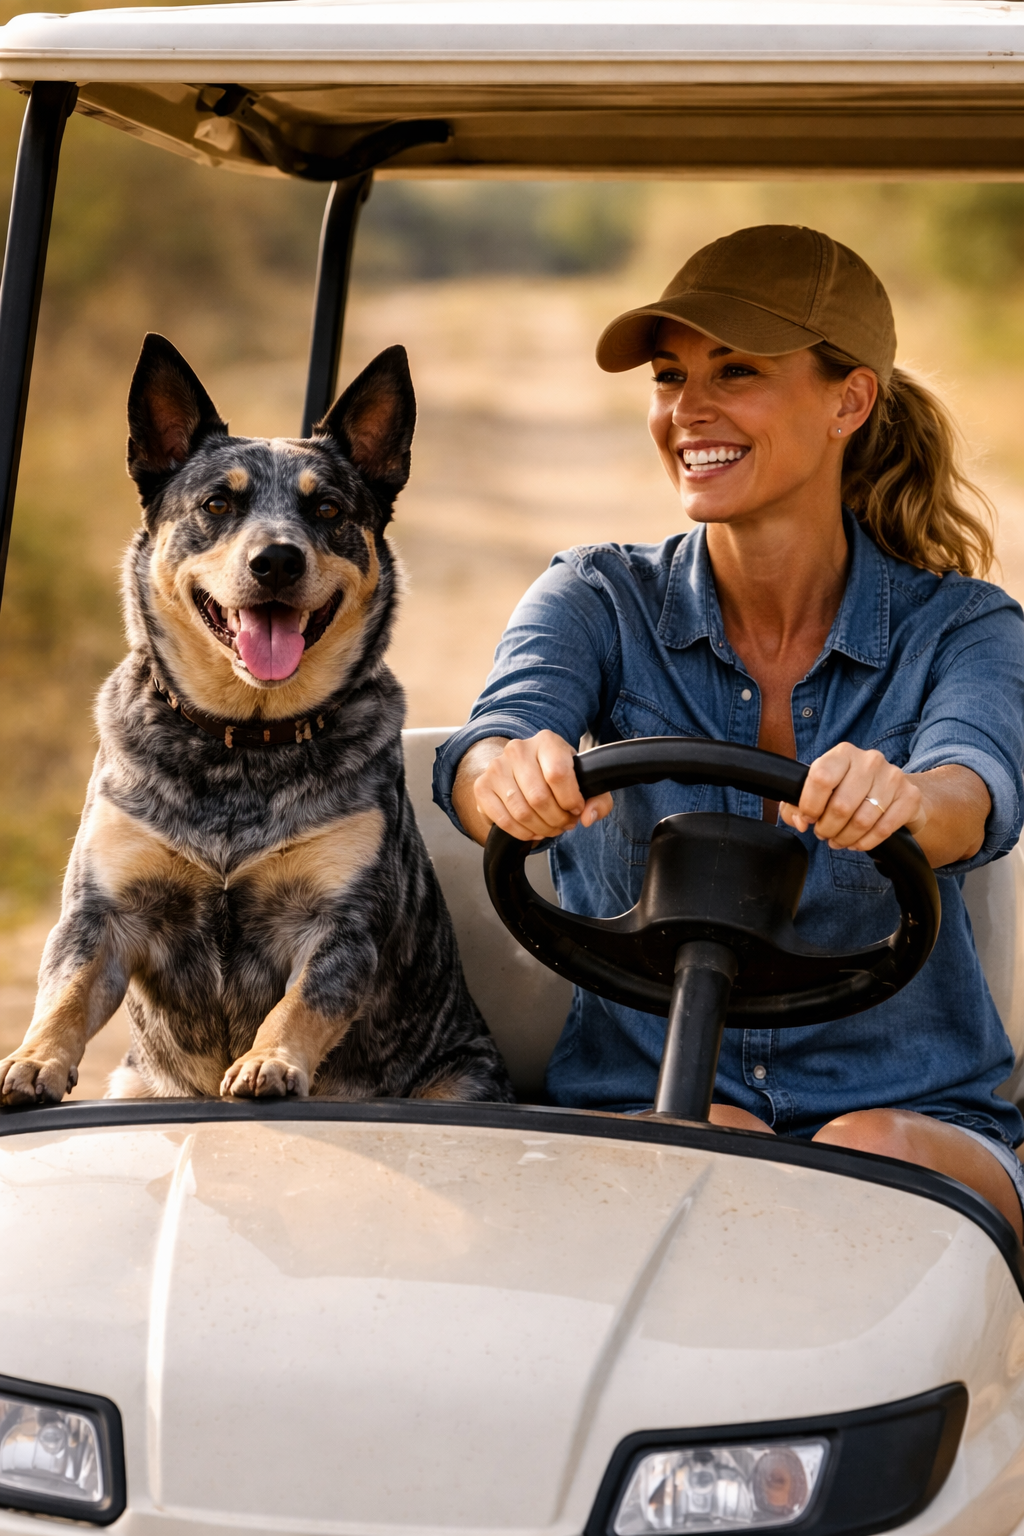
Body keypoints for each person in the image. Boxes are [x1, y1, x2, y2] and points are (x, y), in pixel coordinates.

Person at [432, 223, 1024, 1237]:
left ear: (849, 399)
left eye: (736, 370)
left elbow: (969, 792)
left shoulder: (963, 626)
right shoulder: (595, 599)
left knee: (859, 1165)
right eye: (669, 377)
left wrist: (908, 800)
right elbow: (488, 751)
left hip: (909, 1113)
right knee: (704, 1154)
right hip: (648, 1102)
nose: (686, 411)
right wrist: (508, 779)